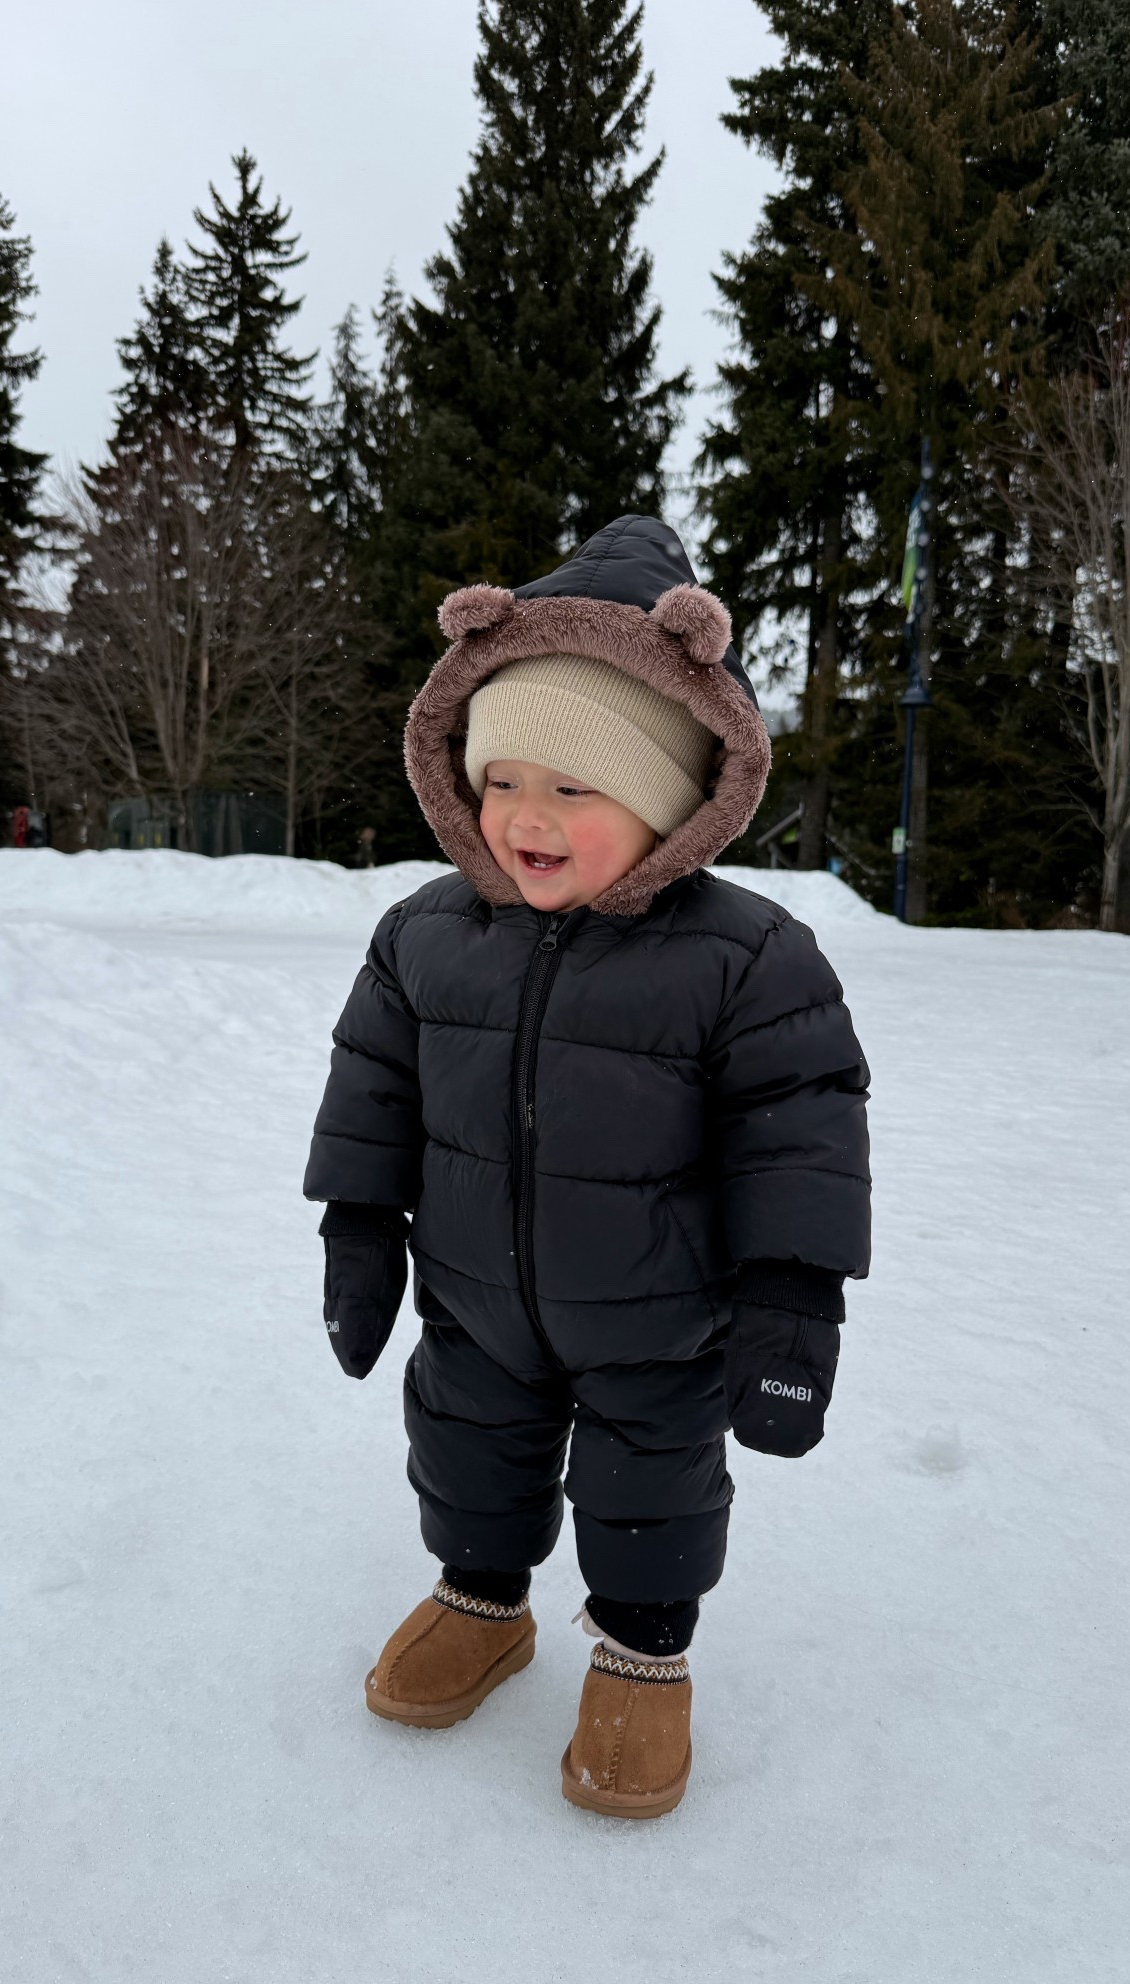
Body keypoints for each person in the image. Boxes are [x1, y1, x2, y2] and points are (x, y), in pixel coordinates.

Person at [304, 515, 870, 1819]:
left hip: (663, 1318)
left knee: (650, 1482)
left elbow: (803, 1132)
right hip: (474, 1298)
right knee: (468, 1452)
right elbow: (372, 1089)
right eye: (501, 780)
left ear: (670, 798)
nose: (524, 819)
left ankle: (641, 1655)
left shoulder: (749, 960)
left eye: (573, 787)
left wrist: (792, 1299)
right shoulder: (425, 936)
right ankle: (483, 1601)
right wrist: (354, 1227)